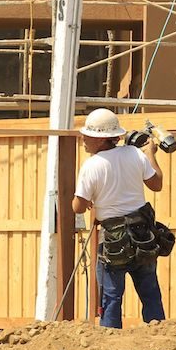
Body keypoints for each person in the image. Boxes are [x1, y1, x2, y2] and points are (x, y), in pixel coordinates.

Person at [71, 108, 166, 328]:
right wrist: (150, 153)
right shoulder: (134, 154)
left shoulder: (91, 166)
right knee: (150, 292)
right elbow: (156, 184)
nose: (83, 139)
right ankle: (160, 338)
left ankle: (110, 343)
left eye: (88, 136)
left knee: (111, 298)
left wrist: (91, 200)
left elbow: (78, 206)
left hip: (114, 239)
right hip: (143, 234)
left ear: (101, 139)